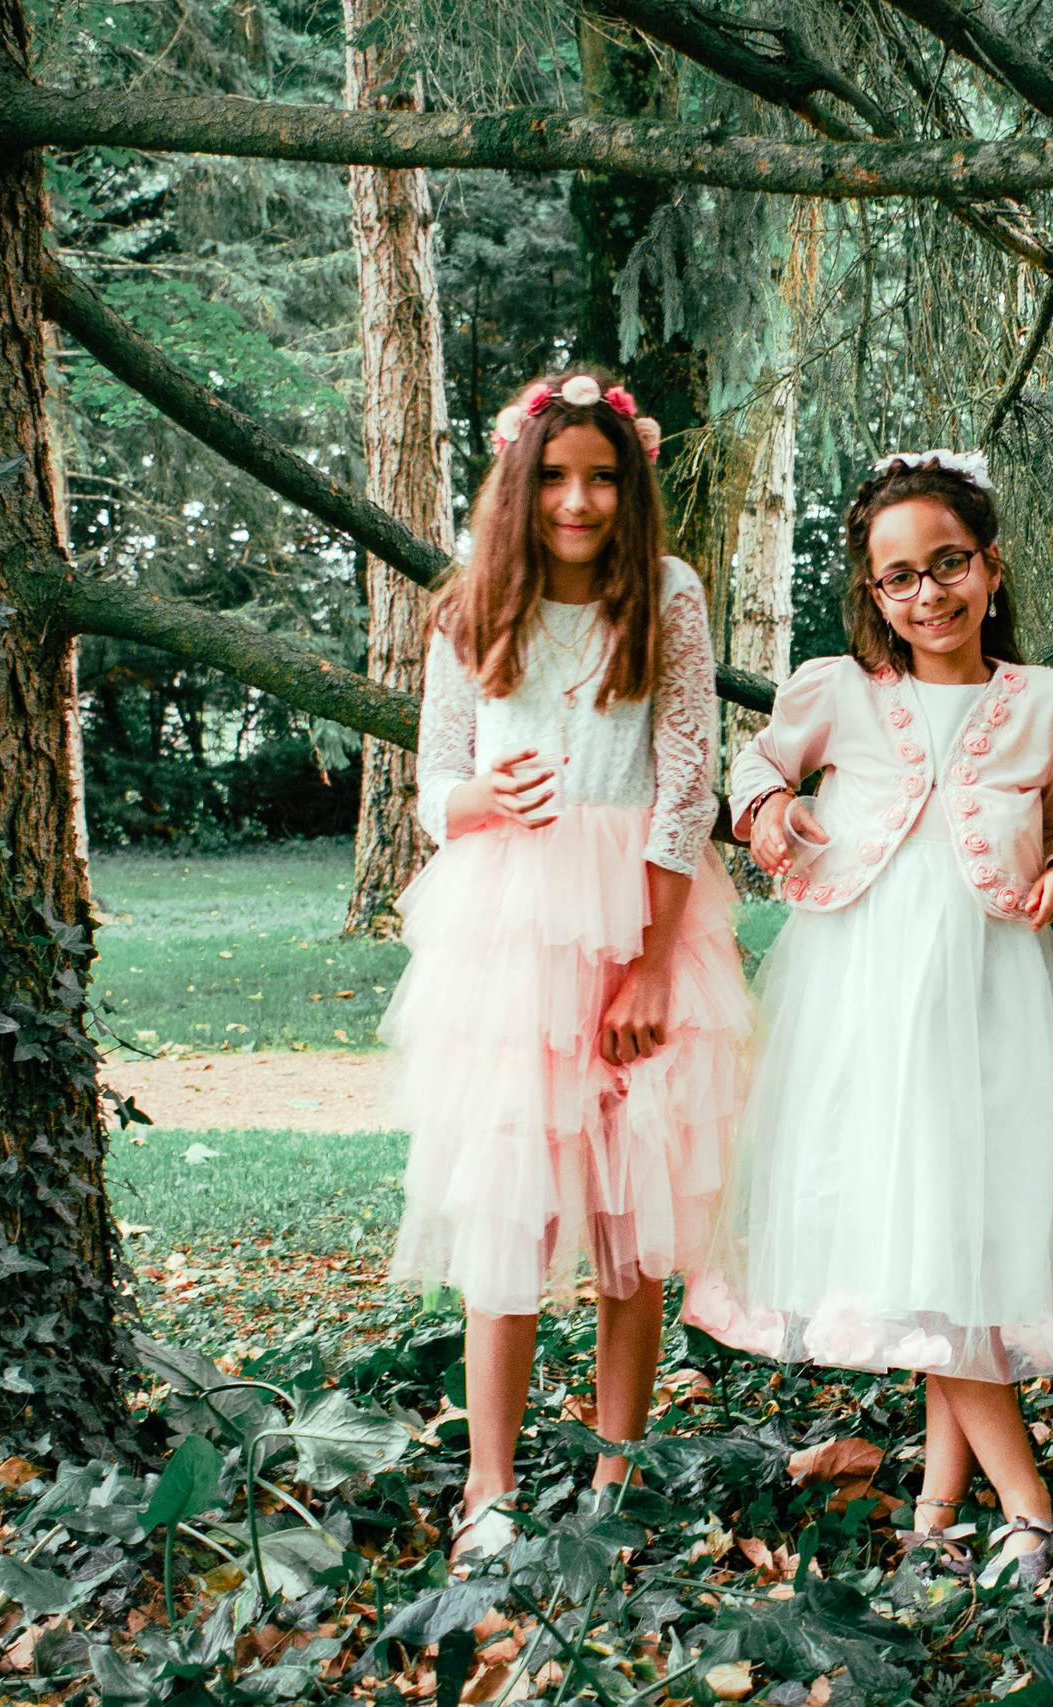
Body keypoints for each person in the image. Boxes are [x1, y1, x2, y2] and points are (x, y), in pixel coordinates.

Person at [682, 448, 1053, 1588]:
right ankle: (1017, 1505)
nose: (927, 596)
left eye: (948, 566)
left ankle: (940, 1501)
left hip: (987, 994)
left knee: (957, 1227)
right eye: (898, 579)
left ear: (990, 566)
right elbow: (753, 772)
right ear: (870, 593)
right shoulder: (836, 692)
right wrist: (770, 807)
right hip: (864, 997)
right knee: (916, 1219)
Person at [380, 370, 750, 1565]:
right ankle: (490, 1487)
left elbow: (687, 780)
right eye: (553, 477)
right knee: (509, 1201)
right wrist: (481, 797)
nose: (578, 501)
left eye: (601, 477)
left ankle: (613, 1476)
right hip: (509, 928)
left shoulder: (670, 595)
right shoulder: (474, 606)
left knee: (625, 1207)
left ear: (630, 483)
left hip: (643, 912)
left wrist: (645, 968)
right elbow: (436, 785)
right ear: (517, 482)